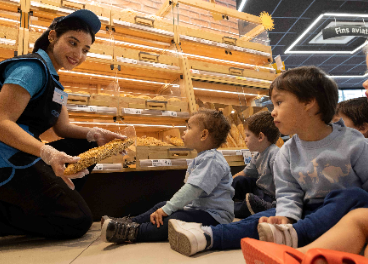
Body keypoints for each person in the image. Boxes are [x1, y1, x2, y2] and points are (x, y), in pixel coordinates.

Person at [167, 66, 368, 257]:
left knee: (353, 195)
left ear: (308, 102)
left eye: (279, 103)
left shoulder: (352, 142)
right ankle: (208, 236)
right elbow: (289, 192)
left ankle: (293, 235)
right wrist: (285, 217)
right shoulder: (287, 151)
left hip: (344, 215)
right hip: (306, 211)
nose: (272, 111)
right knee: (264, 219)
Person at [0, 10, 125, 239]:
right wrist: (46, 152)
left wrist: (96, 134)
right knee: (77, 221)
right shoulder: (31, 69)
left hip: (26, 152)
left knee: (89, 147)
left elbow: (63, 128)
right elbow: (1, 122)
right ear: (52, 37)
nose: (78, 54)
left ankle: (55, 199)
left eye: (85, 50)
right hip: (7, 159)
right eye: (73, 43)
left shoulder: (56, 83)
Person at [100, 109, 235, 243]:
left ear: (203, 135)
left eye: (189, 128)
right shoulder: (203, 157)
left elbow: (192, 190)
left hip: (215, 217)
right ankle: (129, 222)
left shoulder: (212, 159)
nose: (184, 132)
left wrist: (168, 209)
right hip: (199, 210)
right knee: (162, 204)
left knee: (174, 220)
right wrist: (166, 207)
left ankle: (133, 232)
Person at [241, 209, 368, 264]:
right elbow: (288, 190)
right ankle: (299, 257)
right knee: (358, 218)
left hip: (333, 205)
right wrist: (286, 213)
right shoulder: (288, 155)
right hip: (307, 209)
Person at [232, 111, 280, 218]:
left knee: (247, 207)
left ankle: (229, 208)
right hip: (259, 190)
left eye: (248, 135)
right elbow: (243, 173)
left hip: (270, 197)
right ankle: (222, 201)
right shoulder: (258, 154)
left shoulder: (275, 154)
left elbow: (282, 184)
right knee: (239, 180)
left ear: (260, 137)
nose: (245, 139)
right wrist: (225, 186)